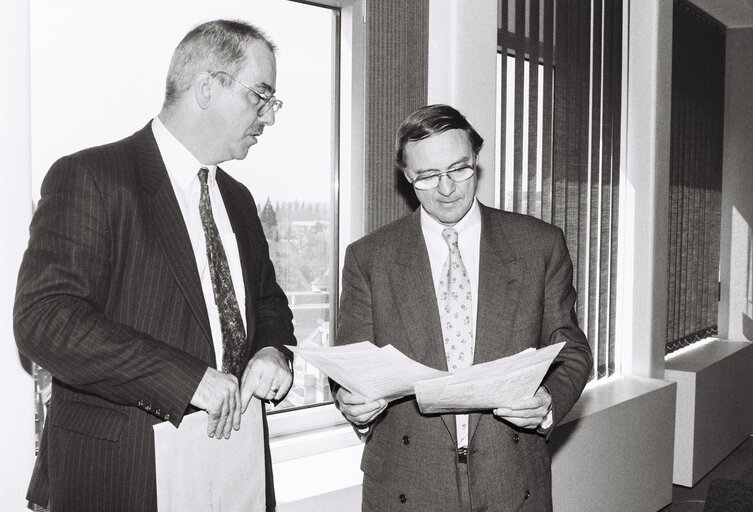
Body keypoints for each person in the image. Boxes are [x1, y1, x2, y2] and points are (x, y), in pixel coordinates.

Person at [13, 19, 295, 512]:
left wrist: (272, 351)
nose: (268, 117)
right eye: (261, 96)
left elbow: (268, 302)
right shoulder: (93, 177)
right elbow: (44, 320)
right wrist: (186, 379)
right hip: (123, 473)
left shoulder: (239, 200)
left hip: (235, 470)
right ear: (207, 87)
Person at [333, 104, 593, 511]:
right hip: (406, 481)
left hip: (512, 478)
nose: (447, 188)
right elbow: (352, 368)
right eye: (428, 176)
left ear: (476, 160)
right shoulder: (369, 258)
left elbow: (572, 351)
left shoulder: (539, 246)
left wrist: (548, 402)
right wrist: (353, 404)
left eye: (459, 169)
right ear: (406, 176)